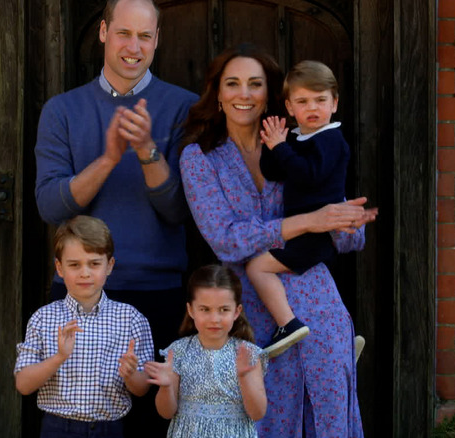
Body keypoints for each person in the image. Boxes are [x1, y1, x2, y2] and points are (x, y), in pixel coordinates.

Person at [179, 44, 376, 437]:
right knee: (264, 423)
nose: (244, 94)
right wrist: (308, 221)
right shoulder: (200, 159)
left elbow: (347, 238)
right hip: (251, 316)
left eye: (255, 84)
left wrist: (347, 221)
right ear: (217, 93)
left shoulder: (300, 144)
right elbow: (226, 241)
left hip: (319, 307)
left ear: (269, 95)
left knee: (328, 419)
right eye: (232, 84)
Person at [33, 0, 197, 434]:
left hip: (157, 294)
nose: (134, 46)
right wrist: (107, 159)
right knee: (76, 421)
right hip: (78, 297)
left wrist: (147, 152)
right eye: (124, 33)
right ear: (103, 32)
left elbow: (181, 210)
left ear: (158, 40)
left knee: (151, 426)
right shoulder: (62, 110)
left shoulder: (185, 108)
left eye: (145, 36)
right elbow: (50, 206)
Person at [245, 60, 350, 358]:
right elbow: (274, 171)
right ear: (290, 108)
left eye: (320, 100)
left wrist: (281, 147)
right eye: (303, 102)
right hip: (302, 229)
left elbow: (308, 175)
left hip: (315, 233)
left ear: (335, 103)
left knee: (257, 267)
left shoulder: (331, 140)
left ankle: (287, 324)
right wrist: (272, 144)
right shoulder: (298, 137)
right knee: (308, 289)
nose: (312, 108)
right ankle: (337, 341)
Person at [14, 215, 153, 438]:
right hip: (57, 428)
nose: (85, 272)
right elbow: (23, 384)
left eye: (94, 263)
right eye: (74, 264)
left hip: (110, 428)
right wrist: (59, 357)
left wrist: (130, 375)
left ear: (110, 266)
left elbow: (142, 388)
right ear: (59, 268)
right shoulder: (43, 318)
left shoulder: (131, 319)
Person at [145, 264, 267, 438]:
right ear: (191, 310)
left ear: (236, 312)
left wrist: (245, 378)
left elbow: (258, 413)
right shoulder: (178, 351)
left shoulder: (248, 354)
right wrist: (166, 387)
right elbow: (166, 413)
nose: (214, 319)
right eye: (205, 309)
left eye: (224, 310)